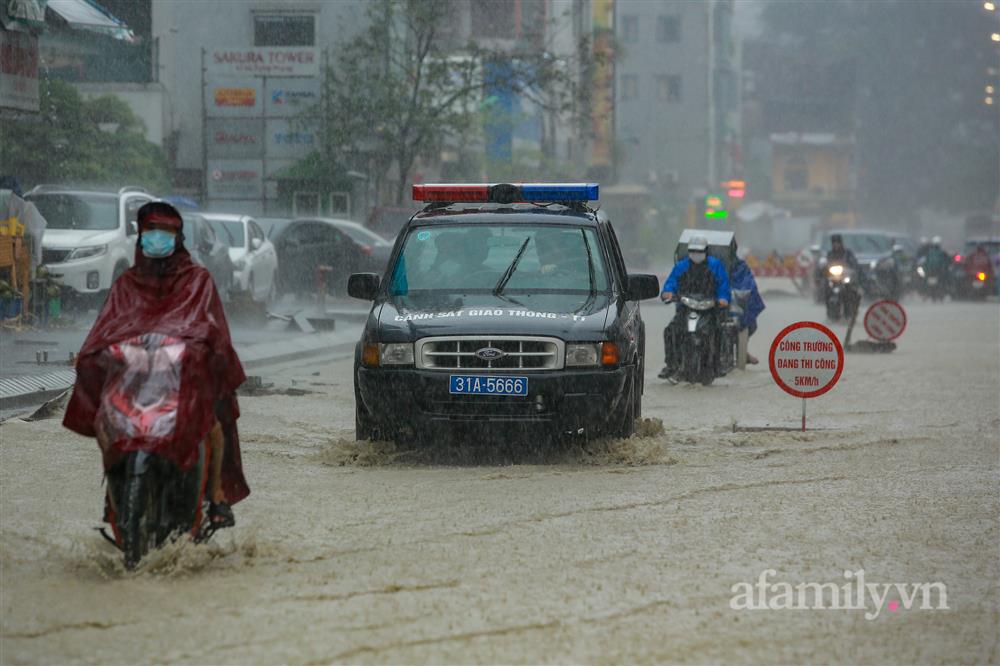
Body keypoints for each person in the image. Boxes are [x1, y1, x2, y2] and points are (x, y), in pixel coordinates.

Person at [63, 201, 249, 529]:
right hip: (133, 383)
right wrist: (93, 353)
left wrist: (209, 354)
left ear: (178, 237)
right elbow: (108, 327)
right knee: (107, 422)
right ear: (141, 235)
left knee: (212, 421)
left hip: (185, 380)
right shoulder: (126, 284)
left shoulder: (198, 280)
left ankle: (216, 493)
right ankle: (114, 495)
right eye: (151, 230)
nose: (158, 237)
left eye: (166, 231)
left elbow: (212, 328)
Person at [658, 235, 730, 379]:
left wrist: (723, 299)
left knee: (718, 330)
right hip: (685, 308)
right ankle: (671, 364)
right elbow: (671, 282)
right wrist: (668, 293)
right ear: (689, 251)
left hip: (709, 309)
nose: (696, 254)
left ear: (706, 251)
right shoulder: (681, 267)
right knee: (670, 331)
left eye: (700, 251)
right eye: (693, 251)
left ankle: (717, 364)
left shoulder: (715, 265)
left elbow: (723, 284)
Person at [729, 245, 766, 364]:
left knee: (747, 323)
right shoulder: (688, 265)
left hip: (731, 304)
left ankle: (742, 351)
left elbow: (748, 286)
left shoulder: (740, 267)